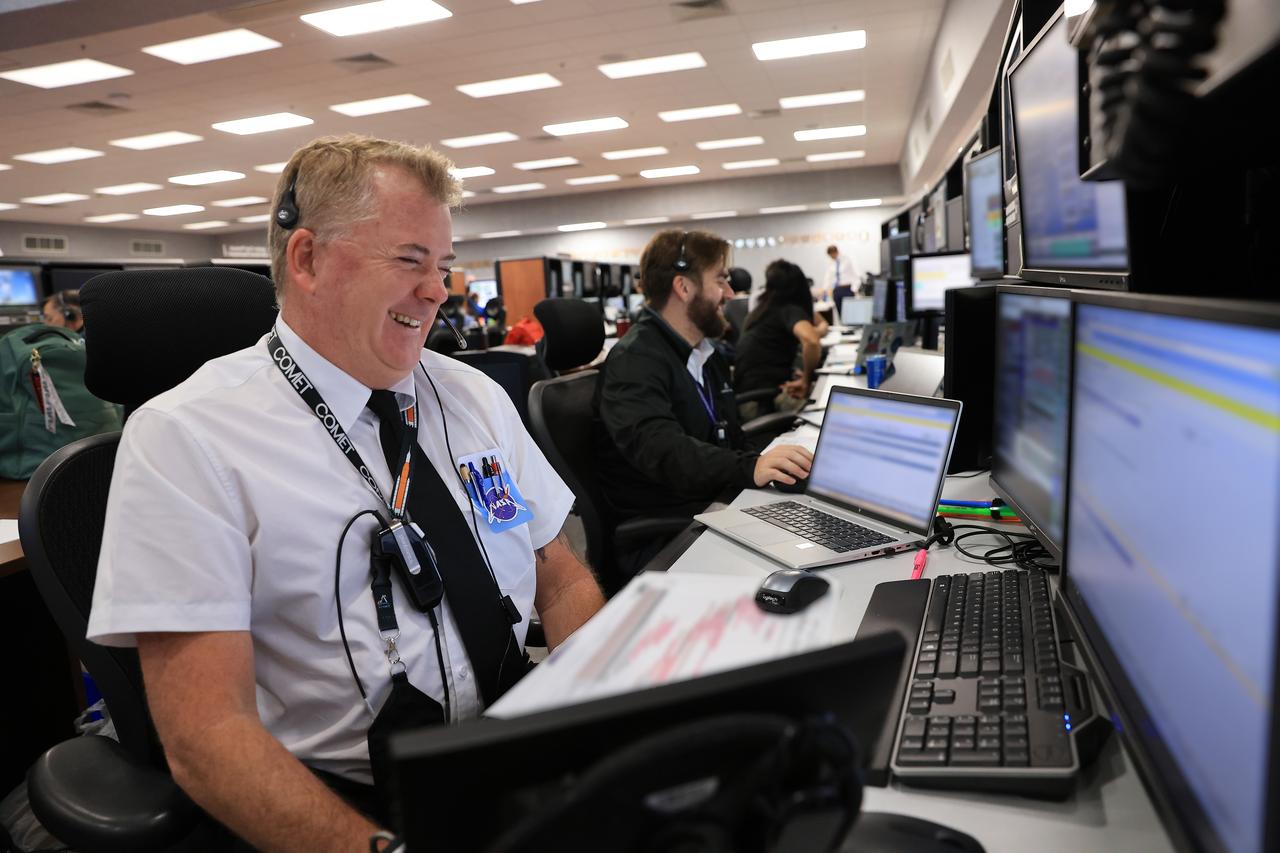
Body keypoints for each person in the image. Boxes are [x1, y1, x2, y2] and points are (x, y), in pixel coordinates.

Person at [85, 134, 604, 853]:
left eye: (443, 266)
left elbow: (562, 574)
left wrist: (596, 724)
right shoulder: (187, 438)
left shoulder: (473, 397)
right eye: (410, 260)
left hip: (515, 751)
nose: (438, 290)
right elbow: (208, 735)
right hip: (346, 806)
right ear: (308, 260)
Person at [594, 230, 814, 572]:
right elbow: (663, 450)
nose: (729, 293)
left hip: (712, 505)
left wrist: (767, 465)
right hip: (670, 534)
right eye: (721, 280)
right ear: (683, 287)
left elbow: (727, 434)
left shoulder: (704, 353)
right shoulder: (634, 360)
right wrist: (750, 467)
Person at [734, 260, 830, 419]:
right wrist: (806, 380)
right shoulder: (788, 309)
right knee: (827, 413)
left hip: (751, 397)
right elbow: (812, 341)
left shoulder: (763, 309)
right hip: (763, 403)